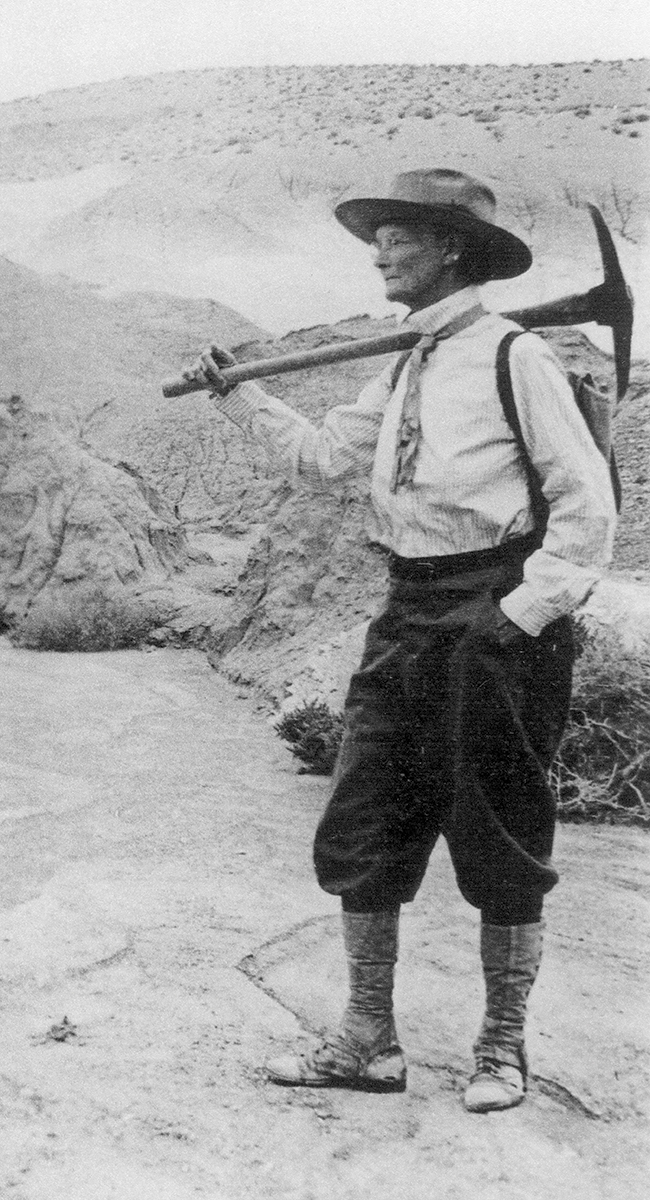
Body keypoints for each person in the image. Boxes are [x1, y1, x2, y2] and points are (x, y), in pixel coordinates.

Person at [185, 169, 617, 1112]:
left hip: (497, 610)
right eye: (375, 236)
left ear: (450, 247)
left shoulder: (516, 359)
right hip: (407, 611)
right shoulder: (406, 363)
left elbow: (589, 506)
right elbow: (324, 459)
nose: (379, 252)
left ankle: (503, 1049)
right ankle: (368, 1042)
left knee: (500, 827)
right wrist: (239, 397)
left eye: (397, 236)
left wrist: (518, 617)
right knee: (367, 816)